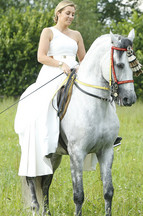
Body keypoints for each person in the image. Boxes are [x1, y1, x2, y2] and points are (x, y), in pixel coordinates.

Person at [15, 1, 119, 177]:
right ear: (58, 14)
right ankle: (47, 137)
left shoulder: (76, 35)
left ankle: (109, 135)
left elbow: (84, 58)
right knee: (46, 102)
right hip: (53, 72)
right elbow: (41, 56)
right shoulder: (48, 32)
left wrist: (80, 67)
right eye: (67, 13)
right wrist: (60, 64)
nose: (71, 16)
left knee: (102, 97)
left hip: (75, 72)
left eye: (73, 14)